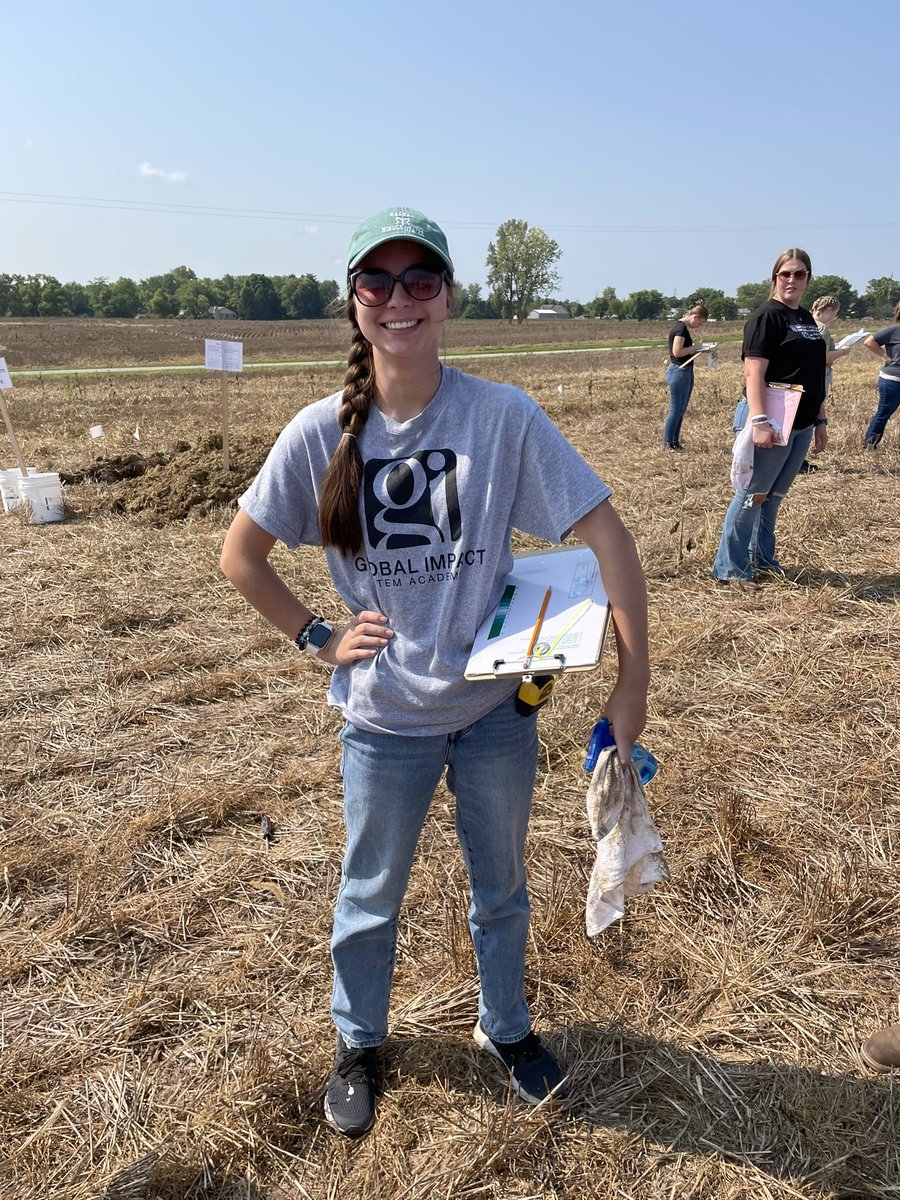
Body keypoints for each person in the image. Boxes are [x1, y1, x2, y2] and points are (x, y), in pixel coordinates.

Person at [219, 206, 650, 1138]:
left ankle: (508, 1031)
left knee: (500, 885)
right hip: (383, 721)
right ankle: (358, 1043)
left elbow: (609, 539)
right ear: (354, 304)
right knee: (370, 892)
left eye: (422, 280)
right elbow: (240, 556)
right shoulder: (316, 433)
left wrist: (631, 683)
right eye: (379, 281)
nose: (400, 298)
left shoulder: (501, 417)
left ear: (449, 298)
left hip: (497, 712)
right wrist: (318, 638)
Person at [712, 248, 826, 584]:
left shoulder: (805, 318)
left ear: (808, 278)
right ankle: (731, 569)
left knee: (773, 496)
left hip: (801, 420)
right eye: (785, 273)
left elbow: (815, 373)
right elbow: (753, 374)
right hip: (772, 417)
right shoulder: (766, 317)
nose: (792, 279)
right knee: (753, 494)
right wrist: (759, 421)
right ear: (775, 277)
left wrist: (820, 420)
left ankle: (761, 559)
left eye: (799, 273)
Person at [796, 295, 852, 474]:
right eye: (834, 314)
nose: (834, 318)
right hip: (817, 376)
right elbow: (823, 357)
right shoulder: (822, 329)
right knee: (812, 413)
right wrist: (843, 352)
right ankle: (799, 460)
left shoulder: (804, 323)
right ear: (828, 311)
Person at [663, 301, 709, 450]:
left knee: (680, 410)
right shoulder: (680, 328)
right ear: (694, 316)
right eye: (700, 323)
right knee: (676, 410)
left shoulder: (681, 327)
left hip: (684, 370)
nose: (698, 326)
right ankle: (668, 443)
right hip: (679, 371)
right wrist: (696, 347)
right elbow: (678, 351)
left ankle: (675, 442)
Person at [861, 300, 900, 449]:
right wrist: (886, 357)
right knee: (883, 413)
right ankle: (869, 445)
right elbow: (869, 341)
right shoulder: (894, 330)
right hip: (892, 380)